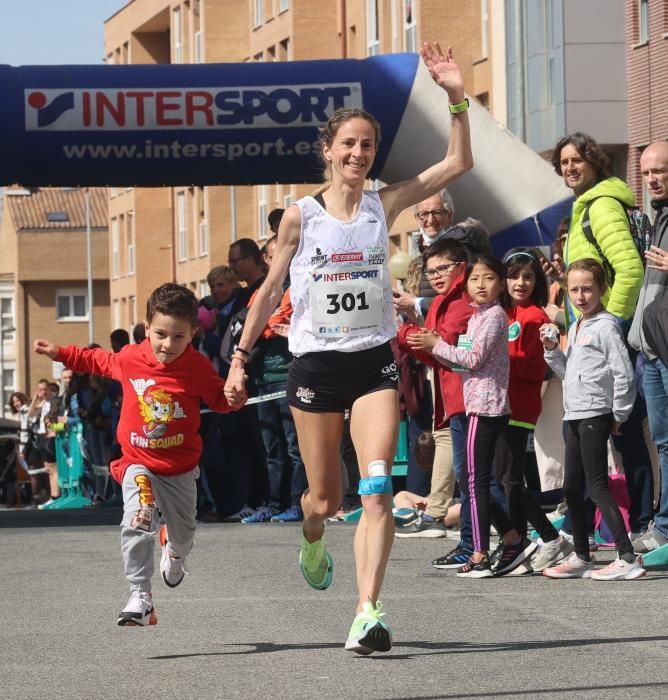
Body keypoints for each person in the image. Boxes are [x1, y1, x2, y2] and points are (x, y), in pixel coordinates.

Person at [224, 42, 472, 653]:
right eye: (349, 145)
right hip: (315, 366)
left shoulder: (383, 203)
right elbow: (267, 292)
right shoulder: (299, 218)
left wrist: (457, 97)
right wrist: (239, 358)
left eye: (367, 145)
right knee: (326, 498)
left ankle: (367, 610)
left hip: (373, 362)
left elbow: (458, 162)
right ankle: (312, 533)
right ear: (329, 151)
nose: (358, 153)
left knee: (378, 484)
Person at [34, 283, 241, 626]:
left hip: (179, 468)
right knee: (140, 515)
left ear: (192, 333)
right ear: (147, 328)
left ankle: (174, 551)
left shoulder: (197, 367)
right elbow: (97, 360)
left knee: (185, 534)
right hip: (137, 462)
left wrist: (234, 396)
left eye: (178, 337)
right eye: (160, 334)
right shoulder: (132, 358)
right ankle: (140, 595)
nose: (167, 345)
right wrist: (61, 352)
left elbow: (221, 401)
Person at [408, 256, 521, 578]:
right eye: (475, 279)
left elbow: (471, 359)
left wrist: (437, 344)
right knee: (476, 481)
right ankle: (512, 539)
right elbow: (464, 364)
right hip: (475, 404)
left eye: (488, 278)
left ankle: (480, 553)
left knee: (475, 482)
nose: (481, 285)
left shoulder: (495, 316)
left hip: (486, 407)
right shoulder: (477, 316)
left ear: (501, 283)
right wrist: (432, 347)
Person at [540, 260, 645, 580]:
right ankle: (583, 556)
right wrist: (551, 351)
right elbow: (570, 373)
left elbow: (623, 372)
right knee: (572, 488)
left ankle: (627, 556)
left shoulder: (607, 326)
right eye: (574, 290)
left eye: (588, 288)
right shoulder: (575, 327)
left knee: (597, 485)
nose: (581, 295)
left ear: (602, 289)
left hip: (597, 414)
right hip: (574, 414)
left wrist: (620, 413)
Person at [497, 249, 572, 574]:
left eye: (528, 276)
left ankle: (546, 536)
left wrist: (497, 362)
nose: (521, 282)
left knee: (509, 478)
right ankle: (523, 542)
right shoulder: (504, 312)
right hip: (498, 403)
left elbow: (535, 367)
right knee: (506, 478)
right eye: (514, 276)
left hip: (520, 404)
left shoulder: (536, 317)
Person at [396, 238, 472, 543]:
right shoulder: (441, 300)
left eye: (443, 268)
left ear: (461, 267)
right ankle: (439, 515)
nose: (436, 275)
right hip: (448, 390)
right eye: (431, 271)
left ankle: (494, 527)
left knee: (481, 472)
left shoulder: (465, 298)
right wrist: (408, 337)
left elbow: (449, 343)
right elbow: (436, 350)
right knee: (453, 451)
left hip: (471, 394)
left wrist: (407, 334)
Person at [242, 234, 307, 524]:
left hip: (290, 376)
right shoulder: (260, 294)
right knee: (272, 449)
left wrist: (271, 323)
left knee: (295, 447)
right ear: (266, 260)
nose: (278, 258)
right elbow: (251, 326)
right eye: (272, 254)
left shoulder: (301, 287)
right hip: (263, 380)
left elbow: (271, 325)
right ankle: (273, 503)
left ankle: (296, 503)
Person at [548, 132, 644, 325]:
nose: (570, 168)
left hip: (607, 329)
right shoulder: (584, 206)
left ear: (593, 162)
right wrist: (563, 280)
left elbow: (630, 270)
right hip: (593, 326)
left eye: (577, 160)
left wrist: (609, 324)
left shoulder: (601, 206)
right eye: (564, 162)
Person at [629, 140, 668, 554]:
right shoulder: (655, 217)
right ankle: (663, 525)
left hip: (664, 348)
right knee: (663, 441)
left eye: (660, 171)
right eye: (647, 173)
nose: (653, 179)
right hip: (652, 350)